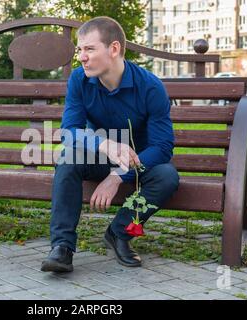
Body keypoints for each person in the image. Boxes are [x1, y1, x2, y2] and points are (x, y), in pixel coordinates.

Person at [41, 16, 179, 273]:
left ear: (113, 49)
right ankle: (62, 247)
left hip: (140, 162)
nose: (82, 57)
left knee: (167, 176)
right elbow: (68, 132)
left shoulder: (150, 87)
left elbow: (162, 147)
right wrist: (103, 145)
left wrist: (118, 175)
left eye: (90, 49)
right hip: (99, 156)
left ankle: (119, 233)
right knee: (68, 158)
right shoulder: (79, 81)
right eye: (79, 50)